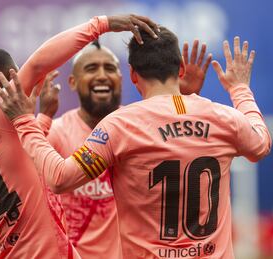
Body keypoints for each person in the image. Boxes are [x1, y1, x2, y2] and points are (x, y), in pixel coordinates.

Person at [0, 28, 271, 258]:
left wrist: (25, 121)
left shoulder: (119, 126)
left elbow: (60, 178)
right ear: (181, 68)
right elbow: (261, 145)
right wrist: (240, 89)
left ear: (132, 75)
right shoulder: (223, 117)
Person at [0, 14, 159, 258]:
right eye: (19, 74)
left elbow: (13, 165)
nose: (26, 81)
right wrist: (102, 24)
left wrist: (43, 119)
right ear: (6, 80)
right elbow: (39, 63)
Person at [38, 37, 212, 258]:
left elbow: (183, 151)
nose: (102, 75)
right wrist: (41, 118)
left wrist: (182, 99)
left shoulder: (138, 125)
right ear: (72, 81)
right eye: (91, 68)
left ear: (123, 78)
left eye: (110, 68)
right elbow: (25, 181)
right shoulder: (56, 132)